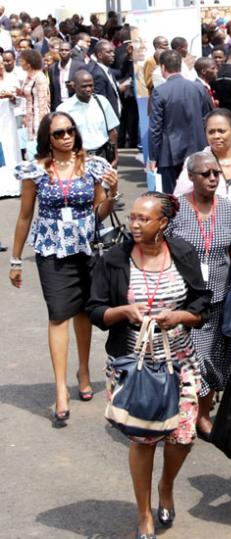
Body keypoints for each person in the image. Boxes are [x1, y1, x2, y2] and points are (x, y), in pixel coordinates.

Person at [86, 191, 211, 538]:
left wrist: (183, 316)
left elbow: (203, 303)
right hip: (133, 364)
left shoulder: (183, 253)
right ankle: (143, 514)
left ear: (163, 223)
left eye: (144, 218)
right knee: (142, 441)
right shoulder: (114, 259)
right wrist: (123, 313)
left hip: (180, 362)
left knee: (182, 437)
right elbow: (95, 310)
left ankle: (166, 486)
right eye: (133, 217)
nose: (135, 224)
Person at [9, 111, 119, 427]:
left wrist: (110, 192)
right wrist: (16, 260)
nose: (66, 136)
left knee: (84, 311)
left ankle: (83, 370)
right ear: (48, 138)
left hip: (87, 247)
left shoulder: (94, 166)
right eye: (58, 133)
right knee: (59, 314)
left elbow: (100, 212)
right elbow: (25, 216)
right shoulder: (37, 171)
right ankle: (61, 388)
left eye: (70, 130)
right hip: (52, 249)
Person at [166, 151, 231, 439]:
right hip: (185, 301)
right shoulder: (176, 210)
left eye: (216, 173)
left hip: (220, 299)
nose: (213, 178)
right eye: (206, 174)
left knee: (216, 360)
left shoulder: (228, 210)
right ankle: (191, 416)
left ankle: (202, 414)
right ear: (191, 177)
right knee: (194, 360)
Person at [148, 50, 210, 194]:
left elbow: (155, 127)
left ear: (163, 68)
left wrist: (153, 156)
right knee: (198, 194)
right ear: (181, 66)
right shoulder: (198, 88)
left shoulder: (160, 91)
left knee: (172, 198)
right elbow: (208, 118)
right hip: (197, 148)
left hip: (169, 153)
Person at [57, 70, 119, 166]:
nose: (88, 89)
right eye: (84, 86)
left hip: (103, 156)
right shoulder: (64, 109)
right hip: (78, 158)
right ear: (74, 86)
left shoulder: (102, 102)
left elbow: (112, 132)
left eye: (91, 85)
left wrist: (115, 156)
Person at [81, 39, 122, 118]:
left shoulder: (107, 69)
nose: (113, 54)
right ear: (100, 55)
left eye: (113, 52)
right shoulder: (98, 74)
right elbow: (100, 103)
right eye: (109, 52)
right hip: (109, 119)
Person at [19, 49, 49, 157]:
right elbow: (27, 93)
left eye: (22, 61)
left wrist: (41, 124)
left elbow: (42, 102)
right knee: (29, 145)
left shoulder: (39, 77)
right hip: (29, 115)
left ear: (29, 63)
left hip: (38, 116)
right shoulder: (28, 76)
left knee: (37, 145)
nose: (20, 63)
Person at [0, 58, 21, 198]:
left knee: (10, 151)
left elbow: (19, 100)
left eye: (1, 64)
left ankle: (13, 187)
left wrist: (11, 96)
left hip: (8, 121)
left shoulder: (12, 79)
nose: (1, 67)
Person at [48, 40, 82, 111]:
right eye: (61, 50)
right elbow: (52, 90)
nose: (64, 52)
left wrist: (75, 86)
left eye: (66, 50)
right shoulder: (53, 68)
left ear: (71, 52)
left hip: (75, 104)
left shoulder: (79, 66)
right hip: (59, 105)